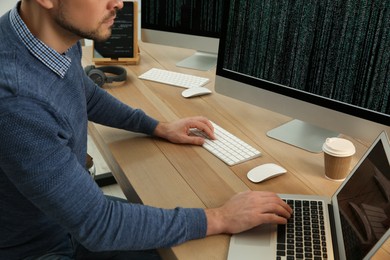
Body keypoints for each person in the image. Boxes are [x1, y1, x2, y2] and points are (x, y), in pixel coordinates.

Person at [0, 0, 293, 259]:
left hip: (65, 218)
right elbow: (99, 225)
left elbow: (83, 91)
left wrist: (157, 127)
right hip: (41, 246)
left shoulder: (42, 36)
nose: (118, 3)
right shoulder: (16, 102)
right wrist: (220, 217)